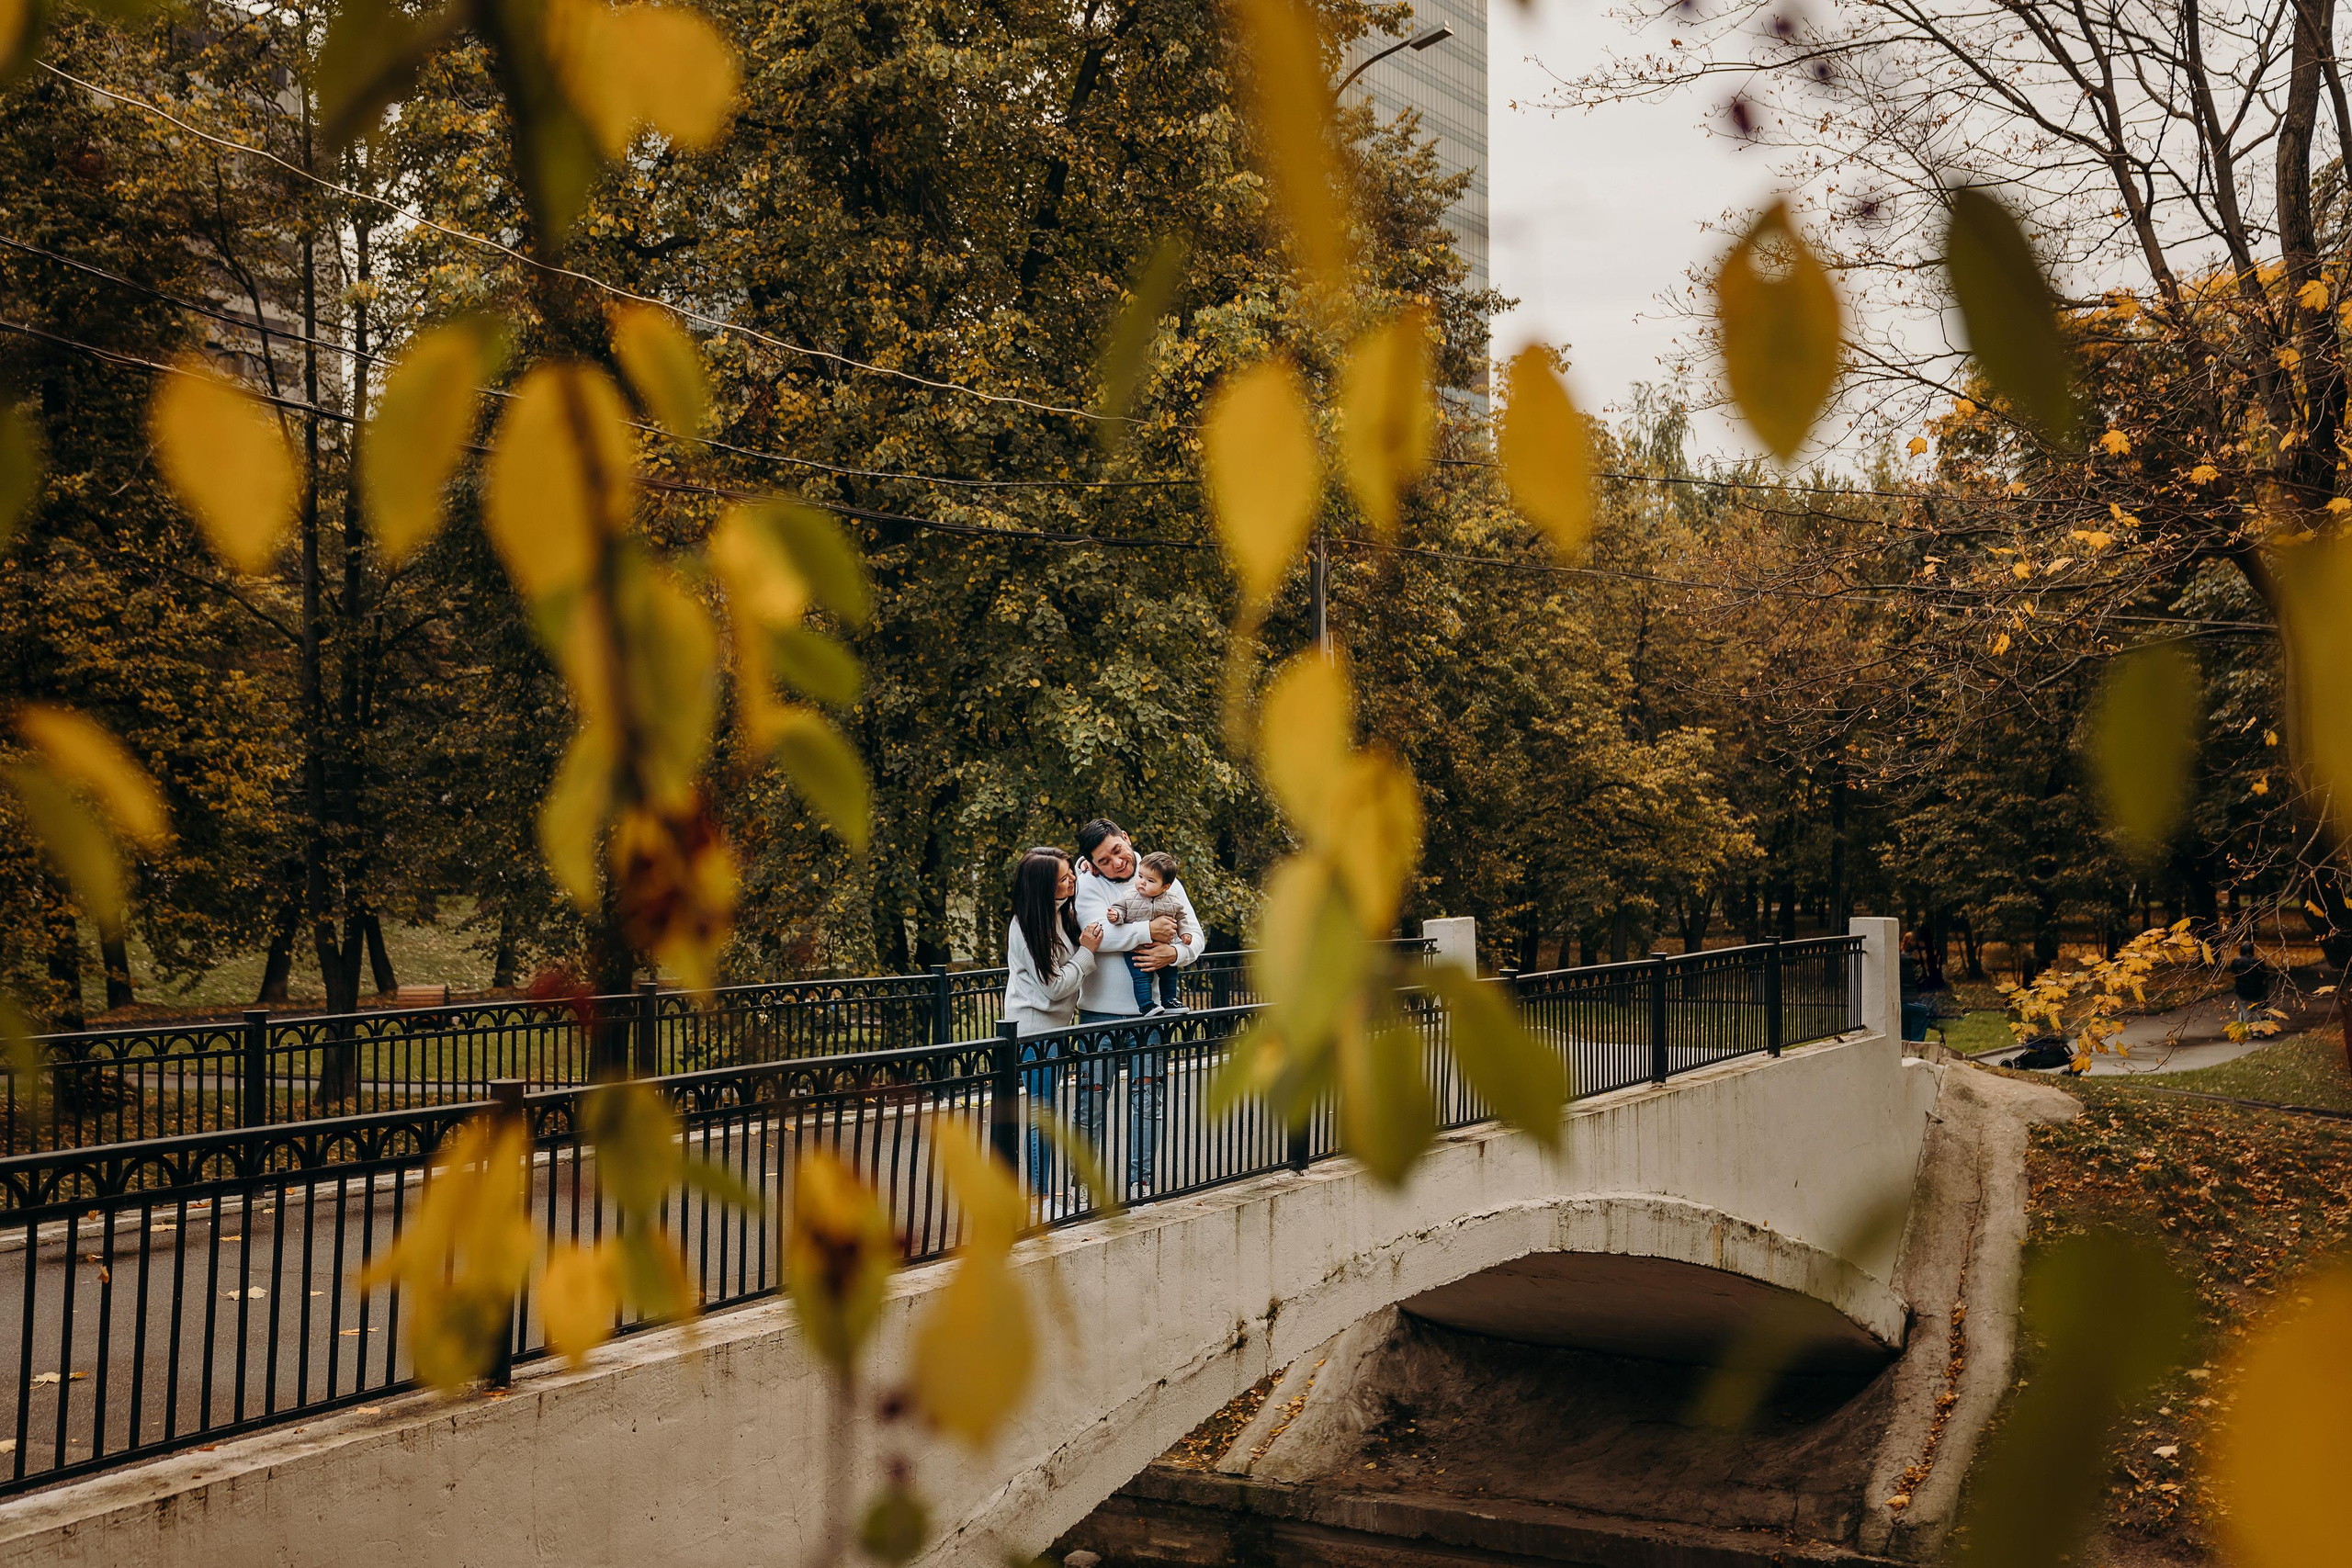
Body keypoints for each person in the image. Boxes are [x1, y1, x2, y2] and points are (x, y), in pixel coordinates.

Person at [1073, 818, 1204, 1195]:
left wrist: (1173, 952)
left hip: (1152, 1015)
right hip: (1098, 1014)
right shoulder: (1086, 884)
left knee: (1148, 1103)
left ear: (1127, 839)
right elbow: (1099, 933)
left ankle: (1140, 1182)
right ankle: (1082, 1185)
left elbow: (1195, 936)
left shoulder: (1163, 875)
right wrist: (1149, 932)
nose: (1115, 862)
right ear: (1092, 864)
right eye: (1103, 860)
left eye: (1117, 850)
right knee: (1090, 1105)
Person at [1001, 847, 1103, 1197]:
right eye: (1064, 878)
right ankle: (1037, 1194)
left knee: (1046, 1112)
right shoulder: (1028, 927)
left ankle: (1039, 1191)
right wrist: (1086, 952)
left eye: (1071, 873)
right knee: (1042, 1115)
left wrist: (1085, 869)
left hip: (1055, 1030)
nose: (1072, 880)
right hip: (1035, 1032)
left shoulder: (1058, 914)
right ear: (1045, 887)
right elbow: (1053, 987)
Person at [1103, 852, 1197, 1014]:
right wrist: (1115, 916)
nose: (1142, 883)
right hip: (1137, 948)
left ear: (1165, 886)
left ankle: (1169, 1000)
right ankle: (1146, 1005)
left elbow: (1181, 917)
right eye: (1140, 876)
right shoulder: (1129, 896)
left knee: (1169, 974)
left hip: (1163, 947)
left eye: (1150, 880)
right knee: (1141, 977)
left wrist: (1185, 933)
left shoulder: (1173, 899)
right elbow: (1120, 910)